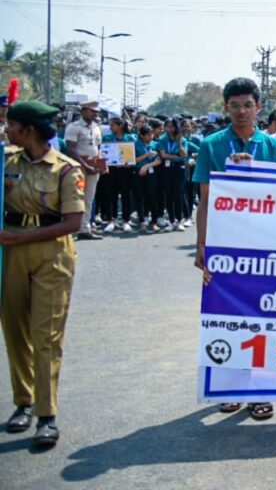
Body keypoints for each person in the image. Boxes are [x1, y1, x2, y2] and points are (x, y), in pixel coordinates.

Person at [193, 78, 276, 421]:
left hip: (264, 243)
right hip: (225, 243)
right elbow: (204, 201)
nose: (241, 111)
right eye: (234, 105)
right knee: (227, 315)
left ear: (258, 107)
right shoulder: (211, 145)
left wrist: (254, 172)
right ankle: (230, 387)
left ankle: (261, 390)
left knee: (264, 315)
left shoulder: (273, 148)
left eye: (247, 105)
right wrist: (202, 245)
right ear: (225, 108)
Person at [1, 101, 86, 447]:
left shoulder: (66, 169)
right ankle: (24, 402)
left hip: (52, 252)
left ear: (29, 130)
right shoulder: (6, 161)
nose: (7, 130)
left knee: (46, 333)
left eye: (11, 125)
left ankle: (46, 414)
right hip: (11, 252)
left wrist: (21, 236)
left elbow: (73, 222)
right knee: (15, 329)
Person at [63, 101, 104, 240]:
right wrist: (85, 166)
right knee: (75, 197)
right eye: (92, 111)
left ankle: (84, 228)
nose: (94, 114)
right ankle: (71, 227)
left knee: (89, 198)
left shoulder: (97, 127)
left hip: (93, 167)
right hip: (79, 168)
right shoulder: (74, 127)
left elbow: (98, 148)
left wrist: (101, 163)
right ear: (83, 111)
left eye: (96, 112)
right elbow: (71, 149)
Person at [100, 116, 137, 233]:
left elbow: (134, 155)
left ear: (120, 126)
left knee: (126, 195)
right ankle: (111, 220)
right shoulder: (107, 138)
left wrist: (129, 163)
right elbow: (103, 153)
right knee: (110, 195)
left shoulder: (130, 138)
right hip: (111, 170)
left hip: (126, 171)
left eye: (112, 125)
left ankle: (126, 220)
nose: (110, 127)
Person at [155, 118, 189, 232]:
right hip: (167, 169)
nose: (170, 129)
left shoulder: (182, 139)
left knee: (178, 195)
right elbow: (163, 155)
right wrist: (177, 157)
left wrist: (179, 144)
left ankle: (179, 220)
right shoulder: (163, 139)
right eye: (167, 126)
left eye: (172, 126)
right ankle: (171, 220)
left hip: (179, 169)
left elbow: (184, 154)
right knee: (168, 195)